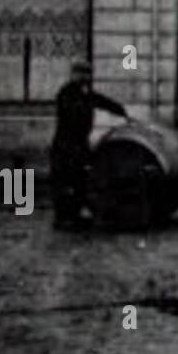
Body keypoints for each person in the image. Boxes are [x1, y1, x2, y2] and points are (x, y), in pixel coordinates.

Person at [51, 60, 129, 230]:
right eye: (81, 73)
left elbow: (102, 101)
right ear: (73, 74)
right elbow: (72, 115)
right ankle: (62, 218)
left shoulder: (85, 93)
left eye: (87, 73)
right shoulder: (66, 93)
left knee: (80, 180)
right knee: (65, 181)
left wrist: (120, 110)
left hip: (79, 143)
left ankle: (75, 215)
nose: (85, 77)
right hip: (66, 145)